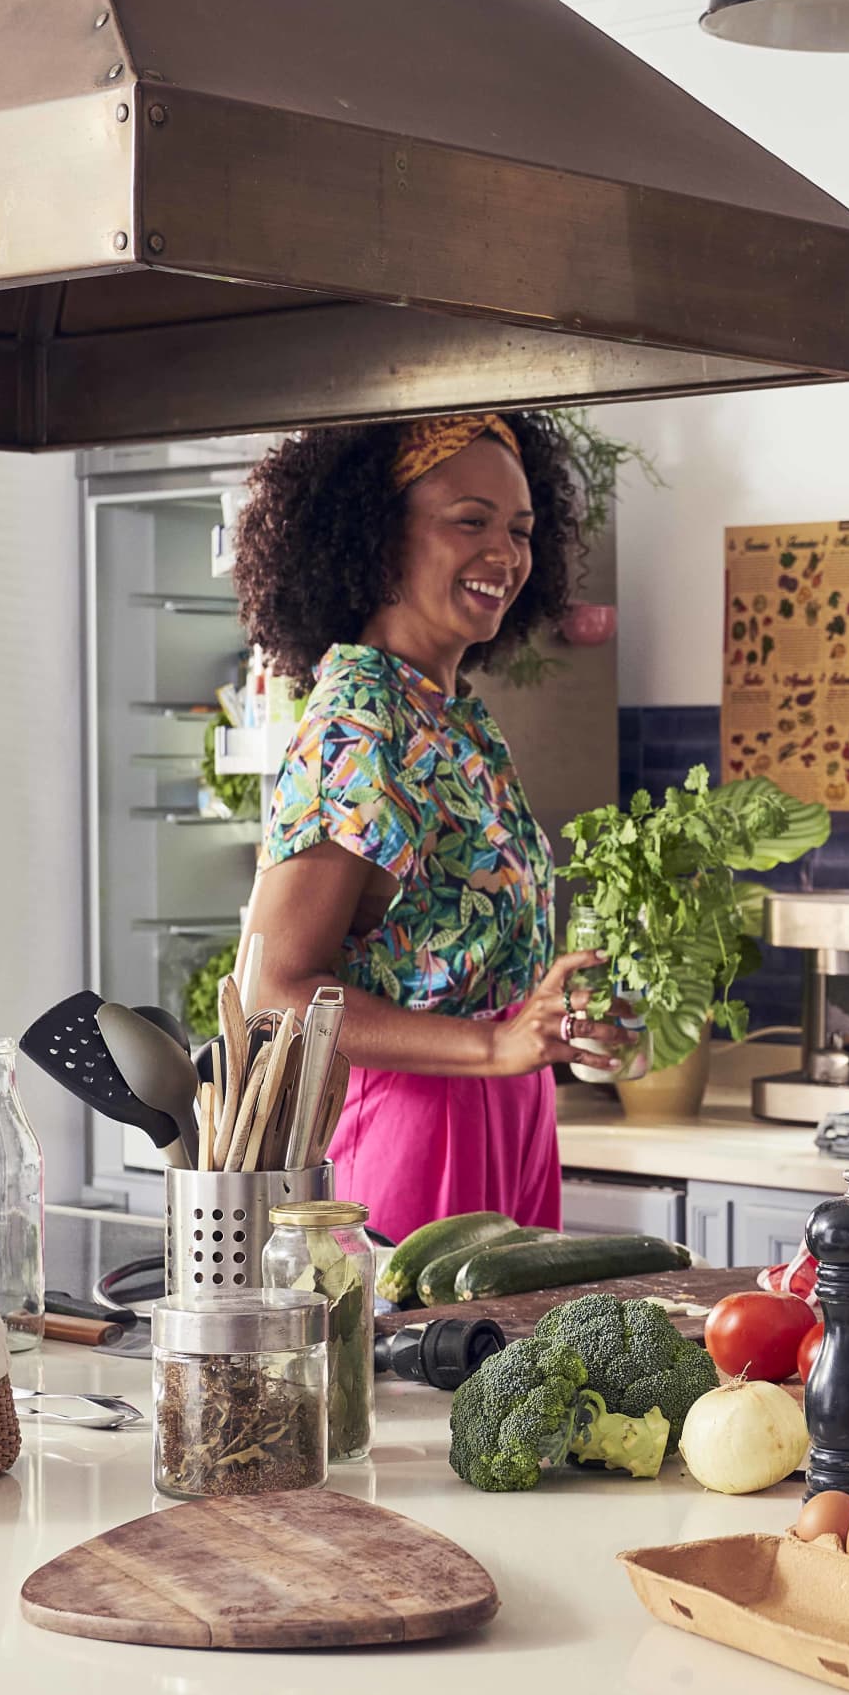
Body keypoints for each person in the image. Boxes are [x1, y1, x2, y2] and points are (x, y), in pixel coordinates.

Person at [234, 411, 623, 1241]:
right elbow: (274, 987)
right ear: (379, 538)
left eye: (520, 529)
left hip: (508, 1110)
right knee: (427, 1368)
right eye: (469, 521)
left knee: (518, 1365)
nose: (507, 554)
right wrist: (492, 1048)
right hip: (412, 1122)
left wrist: (550, 1021)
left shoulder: (445, 714)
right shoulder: (362, 723)